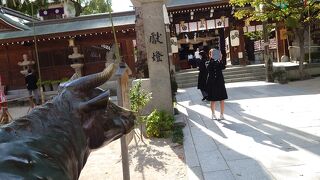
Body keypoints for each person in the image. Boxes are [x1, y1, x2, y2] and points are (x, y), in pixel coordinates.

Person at [206, 48, 228, 120]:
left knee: (222, 99)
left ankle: (222, 114)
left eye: (216, 53)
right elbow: (209, 68)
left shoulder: (219, 62)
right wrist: (212, 59)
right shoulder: (208, 62)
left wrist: (220, 59)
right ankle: (213, 114)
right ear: (210, 55)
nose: (215, 55)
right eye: (213, 53)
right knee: (213, 100)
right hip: (212, 83)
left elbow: (223, 67)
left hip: (220, 82)